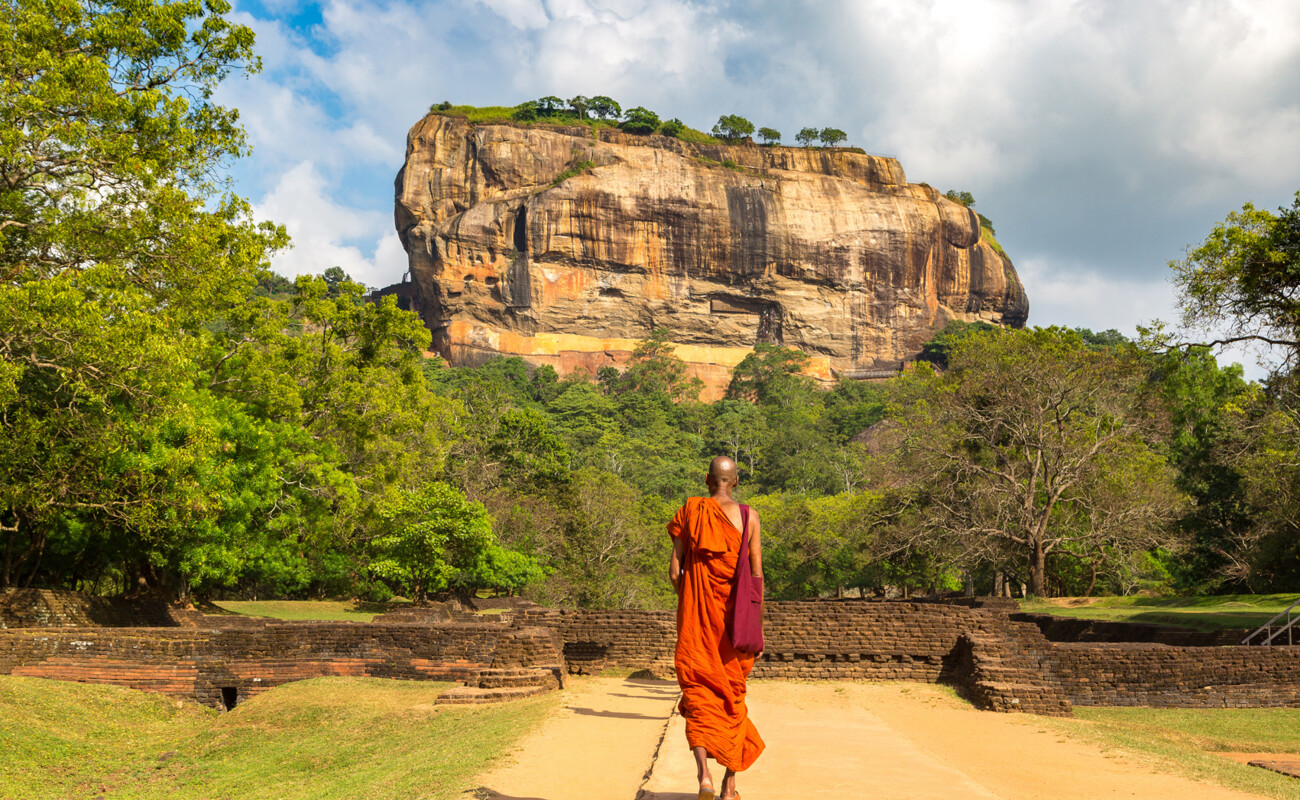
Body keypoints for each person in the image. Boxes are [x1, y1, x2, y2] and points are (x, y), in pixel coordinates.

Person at [667, 455, 765, 800]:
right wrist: (753, 619)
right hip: (735, 624)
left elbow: (676, 572)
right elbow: (755, 574)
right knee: (732, 698)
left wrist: (692, 600)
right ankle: (729, 786)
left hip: (699, 624)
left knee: (698, 695)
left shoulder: (692, 511)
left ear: (707, 480)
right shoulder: (749, 516)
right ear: (735, 481)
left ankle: (704, 776)